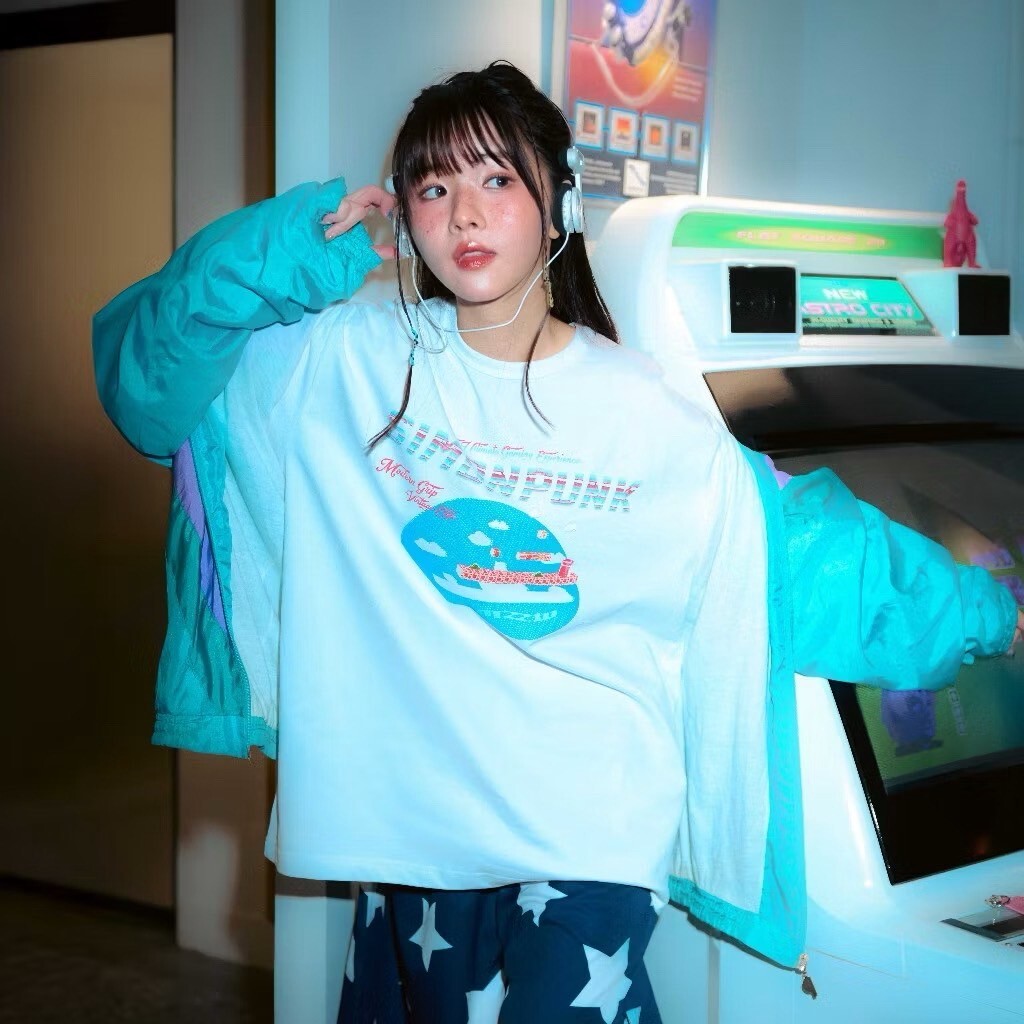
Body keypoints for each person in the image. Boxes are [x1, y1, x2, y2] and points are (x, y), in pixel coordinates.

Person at [92, 61, 1022, 1024]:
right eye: (433, 187)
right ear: (405, 214)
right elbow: (144, 383)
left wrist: (990, 609)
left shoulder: (648, 414)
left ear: (559, 205)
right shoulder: (339, 366)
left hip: (585, 847)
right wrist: (291, 247)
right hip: (410, 836)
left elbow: (805, 553)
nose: (464, 213)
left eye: (497, 178)